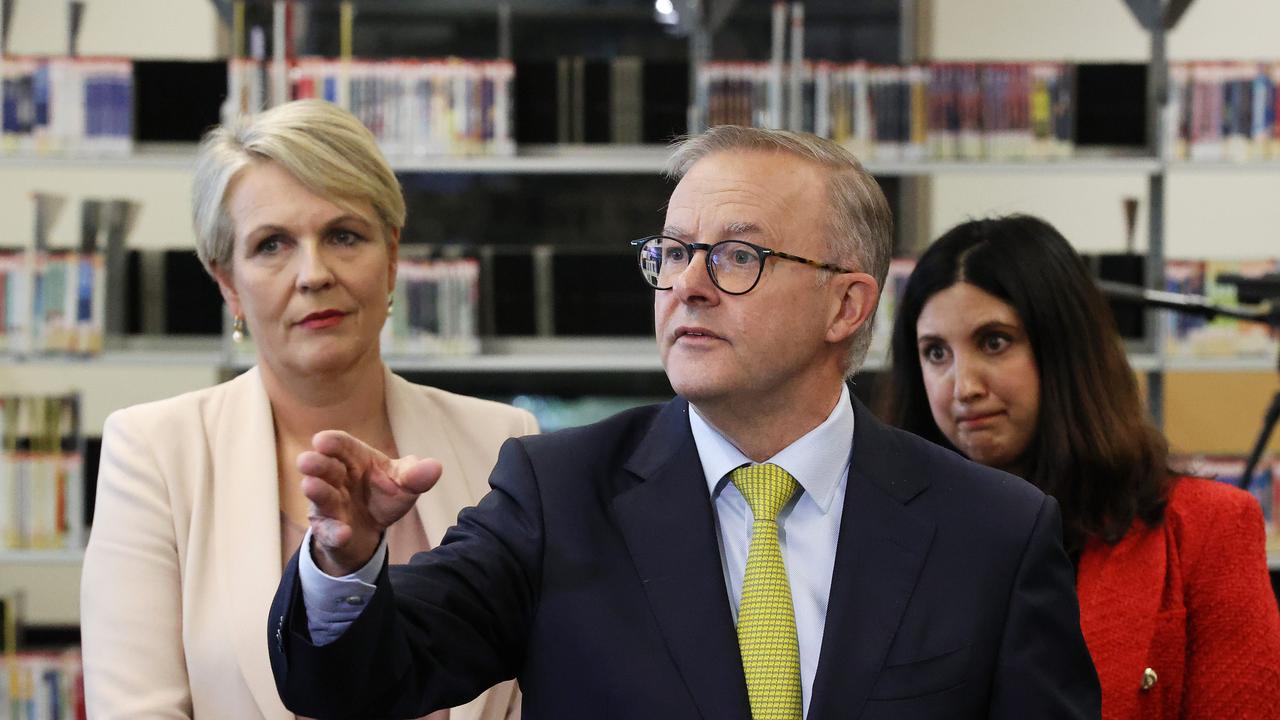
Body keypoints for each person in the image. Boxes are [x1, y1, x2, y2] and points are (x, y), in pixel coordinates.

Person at [268, 127, 1101, 719]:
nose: (687, 286)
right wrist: (346, 566)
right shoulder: (558, 496)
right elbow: (366, 680)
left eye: (738, 256)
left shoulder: (991, 530)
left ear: (847, 304)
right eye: (671, 252)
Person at [80, 99, 537, 720]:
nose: (313, 273)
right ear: (227, 283)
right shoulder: (154, 453)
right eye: (272, 245)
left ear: (393, 256)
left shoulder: (504, 441)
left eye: (343, 235)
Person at [881, 214, 1280, 720]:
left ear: (1064, 346)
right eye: (935, 352)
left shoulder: (1206, 527)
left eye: (994, 342)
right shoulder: (886, 531)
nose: (963, 386)